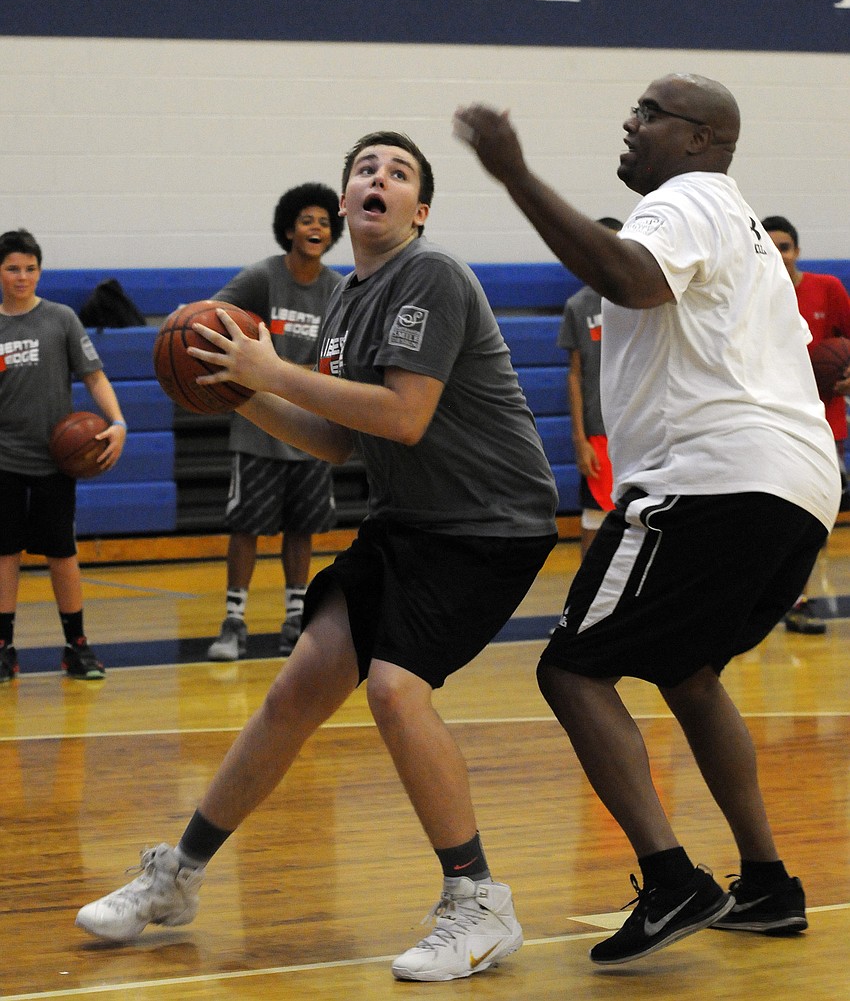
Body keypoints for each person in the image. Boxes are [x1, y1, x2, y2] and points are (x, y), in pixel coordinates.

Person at [76, 131, 559, 982]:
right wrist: (240, 389)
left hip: (492, 521)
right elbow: (339, 439)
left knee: (394, 689)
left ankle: (481, 900)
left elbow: (403, 416)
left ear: (419, 209)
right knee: (295, 689)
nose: (379, 178)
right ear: (343, 201)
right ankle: (178, 875)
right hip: (409, 520)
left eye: (398, 173)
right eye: (365, 169)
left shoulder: (433, 276)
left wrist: (269, 370)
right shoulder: (343, 302)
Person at [453, 76, 840, 966]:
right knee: (689, 674)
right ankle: (767, 882)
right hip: (797, 487)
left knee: (571, 670)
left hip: (710, 479)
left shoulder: (684, 200)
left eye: (650, 113)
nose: (630, 123)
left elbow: (628, 279)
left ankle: (673, 880)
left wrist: (516, 175)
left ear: (701, 137)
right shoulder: (742, 224)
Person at [206, 183, 345, 661]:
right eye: (307, 220)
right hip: (260, 425)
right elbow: (214, 314)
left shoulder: (337, 289)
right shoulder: (263, 277)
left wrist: (299, 377)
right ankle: (234, 621)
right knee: (245, 526)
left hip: (312, 427)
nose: (316, 227)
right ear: (289, 229)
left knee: (302, 527)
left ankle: (295, 617)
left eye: (324, 221)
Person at [0, 229, 127, 683]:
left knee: (62, 552)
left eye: (30, 268)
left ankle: (77, 646)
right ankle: (3, 648)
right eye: (12, 268)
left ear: (40, 271)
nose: (22, 276)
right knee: (4, 553)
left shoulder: (61, 319)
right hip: (4, 459)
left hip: (56, 460)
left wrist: (118, 422)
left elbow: (94, 377)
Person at [762, 214, 850, 635]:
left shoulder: (827, 288)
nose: (779, 255)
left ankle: (796, 596)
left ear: (797, 250)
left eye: (785, 247)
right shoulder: (754, 293)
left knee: (814, 519)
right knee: (775, 517)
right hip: (773, 421)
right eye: (770, 247)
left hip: (824, 423)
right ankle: (782, 599)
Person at [558, 217, 622, 558]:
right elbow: (575, 375)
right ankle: (588, 590)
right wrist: (579, 440)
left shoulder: (645, 298)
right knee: (595, 518)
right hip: (599, 432)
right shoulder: (579, 305)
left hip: (639, 429)